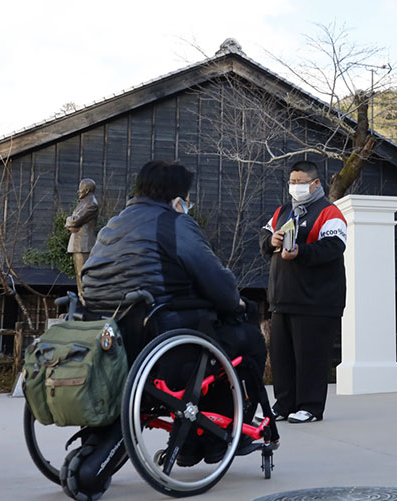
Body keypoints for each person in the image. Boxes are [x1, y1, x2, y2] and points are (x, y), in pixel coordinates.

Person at [81, 160, 269, 464]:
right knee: (245, 338)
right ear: (177, 198)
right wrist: (235, 303)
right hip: (166, 347)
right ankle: (215, 436)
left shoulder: (110, 227)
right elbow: (222, 288)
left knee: (214, 337)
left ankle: (197, 439)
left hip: (112, 345)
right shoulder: (175, 223)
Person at [259, 160, 347, 424]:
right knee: (281, 357)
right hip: (282, 298)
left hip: (316, 301)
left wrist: (302, 251)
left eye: (301, 183)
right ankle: (284, 404)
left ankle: (310, 406)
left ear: (316, 183)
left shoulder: (329, 212)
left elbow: (334, 246)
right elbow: (262, 239)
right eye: (292, 182)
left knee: (311, 357)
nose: (295, 187)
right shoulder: (282, 212)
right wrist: (271, 240)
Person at [65, 178, 98, 300]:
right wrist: (70, 222)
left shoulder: (91, 204)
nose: (78, 191)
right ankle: (82, 301)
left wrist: (70, 221)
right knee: (79, 276)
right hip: (77, 244)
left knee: (83, 275)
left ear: (87, 190)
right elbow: (72, 222)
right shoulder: (83, 203)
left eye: (80, 188)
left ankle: (86, 302)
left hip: (84, 244)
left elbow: (75, 220)